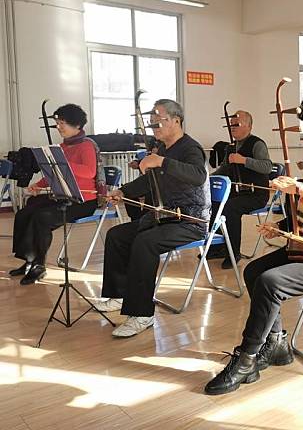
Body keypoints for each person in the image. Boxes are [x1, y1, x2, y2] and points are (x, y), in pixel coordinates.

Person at [203, 95, 303, 395]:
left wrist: (301, 187)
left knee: (270, 281)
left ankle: (246, 359)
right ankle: (276, 343)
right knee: (254, 271)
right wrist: (281, 227)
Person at [94, 99, 211, 338]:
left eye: (160, 119)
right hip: (164, 217)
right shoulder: (163, 148)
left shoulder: (190, 148)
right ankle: (118, 295)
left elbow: (199, 176)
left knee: (145, 243)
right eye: (152, 122)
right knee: (117, 235)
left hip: (190, 221)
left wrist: (162, 161)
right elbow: (150, 180)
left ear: (176, 120)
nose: (154, 125)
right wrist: (123, 192)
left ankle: (142, 314)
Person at [9, 104, 101, 285]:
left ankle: (39, 265)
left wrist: (63, 162)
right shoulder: (62, 146)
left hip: (83, 200)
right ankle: (28, 260)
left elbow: (89, 172)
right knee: (25, 212)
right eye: (57, 123)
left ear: (77, 125)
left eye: (62, 123)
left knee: (42, 217)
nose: (58, 127)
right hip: (63, 195)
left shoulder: (86, 146)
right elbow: (54, 172)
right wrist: (39, 184)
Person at [208, 110, 272, 268]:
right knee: (214, 203)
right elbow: (224, 168)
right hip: (236, 192)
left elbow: (267, 167)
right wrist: (208, 177)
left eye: (237, 124)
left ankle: (233, 252)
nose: (232, 127)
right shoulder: (230, 147)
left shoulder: (257, 144)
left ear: (249, 126)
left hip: (256, 194)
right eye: (231, 124)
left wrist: (244, 160)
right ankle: (218, 246)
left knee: (230, 208)